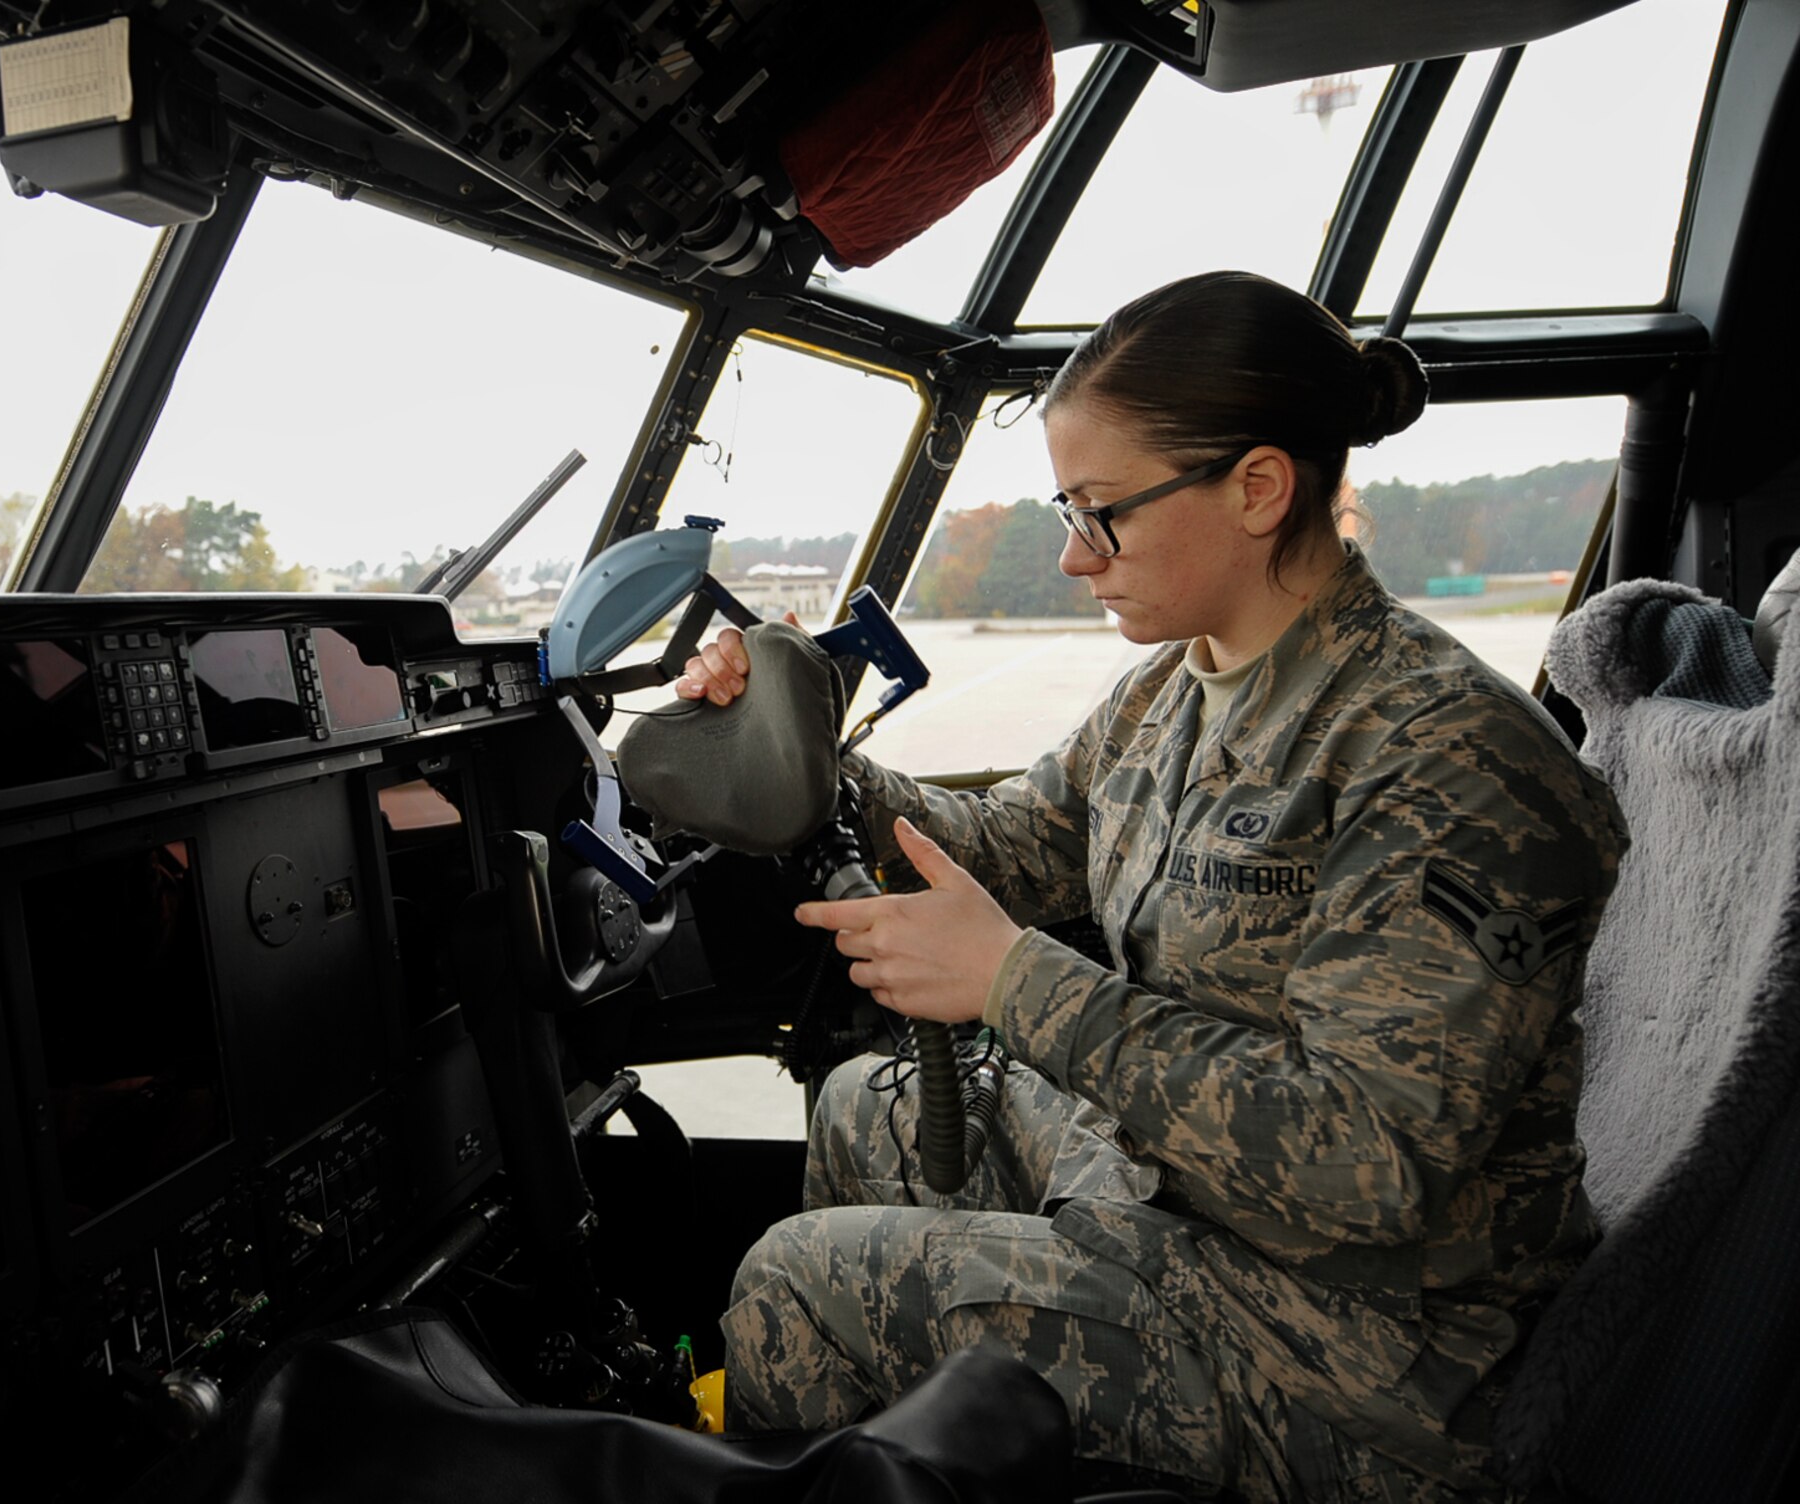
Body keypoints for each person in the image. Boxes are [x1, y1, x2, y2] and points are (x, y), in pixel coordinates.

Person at [673, 271, 1627, 1501]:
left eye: (1102, 513)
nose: (1074, 557)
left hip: (1362, 1357)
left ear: (1256, 487)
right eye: (1065, 509)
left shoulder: (1450, 760)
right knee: (865, 1101)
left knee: (793, 1283)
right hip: (1186, 1205)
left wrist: (1018, 984)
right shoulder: (1174, 688)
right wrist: (802, 754)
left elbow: (1368, 1164)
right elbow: (1012, 840)